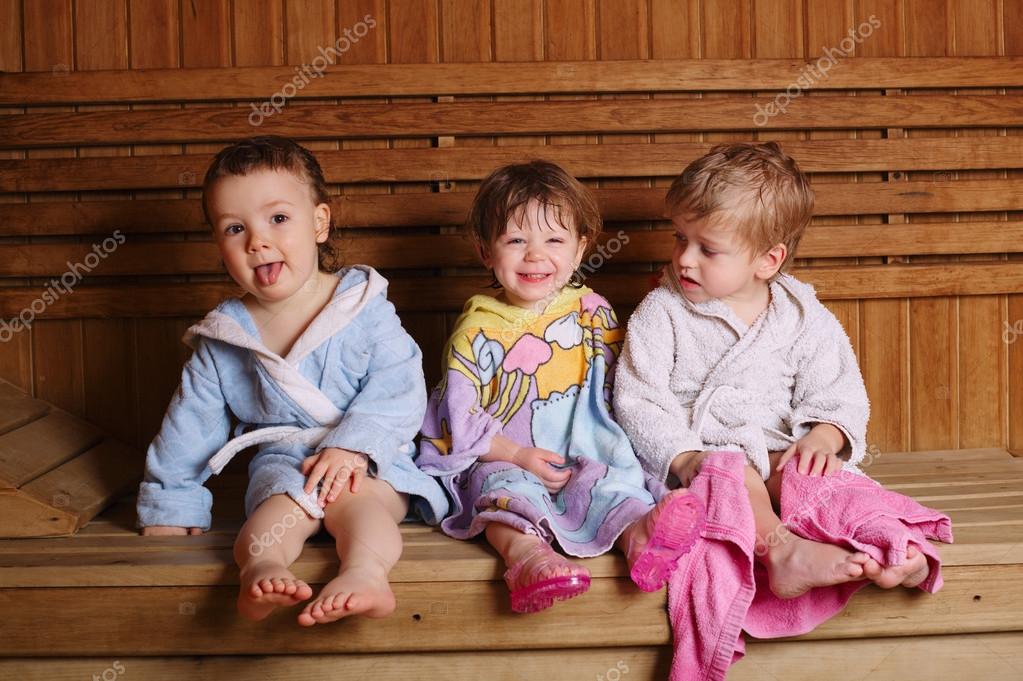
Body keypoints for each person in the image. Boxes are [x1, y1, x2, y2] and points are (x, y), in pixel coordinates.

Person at [136, 136, 448, 626]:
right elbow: (188, 426)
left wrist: (355, 447)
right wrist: (171, 504)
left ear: (319, 222)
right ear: (219, 245)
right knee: (268, 521)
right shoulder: (226, 337)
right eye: (235, 228)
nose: (257, 241)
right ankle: (261, 572)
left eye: (278, 219)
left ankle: (366, 574)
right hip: (288, 462)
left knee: (360, 509)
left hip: (368, 462)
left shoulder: (363, 306)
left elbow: (399, 384)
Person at [614, 141, 931, 597]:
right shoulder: (662, 311)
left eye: (708, 248)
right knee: (733, 474)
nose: (684, 258)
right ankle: (782, 554)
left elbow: (839, 389)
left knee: (814, 474)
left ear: (769, 260)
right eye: (680, 238)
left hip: (778, 448)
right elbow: (638, 397)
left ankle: (894, 546)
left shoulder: (801, 314)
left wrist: (825, 435)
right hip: (702, 454)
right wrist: (684, 458)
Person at [417, 160, 705, 614]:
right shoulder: (477, 332)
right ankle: (527, 558)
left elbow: (619, 387)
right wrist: (516, 455)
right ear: (485, 252)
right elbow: (460, 419)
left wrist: (615, 448)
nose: (535, 255)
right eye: (516, 240)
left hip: (581, 451)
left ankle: (639, 538)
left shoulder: (593, 312)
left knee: (615, 483)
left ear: (579, 248)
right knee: (500, 492)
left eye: (554, 240)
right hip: (504, 455)